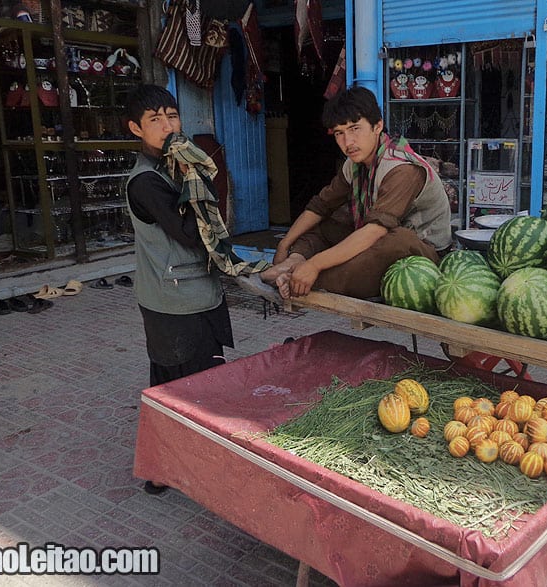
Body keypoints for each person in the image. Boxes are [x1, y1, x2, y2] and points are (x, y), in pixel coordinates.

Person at [256, 86, 452, 300]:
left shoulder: (402, 169)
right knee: (326, 224)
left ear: (377, 127)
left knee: (396, 241)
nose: (347, 142)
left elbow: (375, 231)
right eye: (339, 133)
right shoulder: (354, 164)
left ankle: (302, 278)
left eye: (355, 129)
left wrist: (314, 264)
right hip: (379, 234)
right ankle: (292, 264)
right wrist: (285, 245)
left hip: (423, 251)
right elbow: (320, 205)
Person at [124, 84, 234, 390]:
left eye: (172, 116)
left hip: (192, 297)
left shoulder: (172, 167)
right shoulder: (147, 181)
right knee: (191, 388)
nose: (168, 126)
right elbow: (189, 233)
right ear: (136, 128)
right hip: (175, 306)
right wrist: (194, 175)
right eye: (155, 119)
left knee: (185, 384)